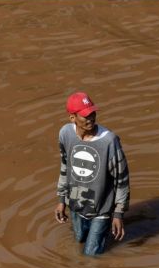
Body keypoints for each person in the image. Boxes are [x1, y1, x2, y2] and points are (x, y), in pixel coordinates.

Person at [54, 92, 130, 255]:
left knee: (90, 256)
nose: (91, 118)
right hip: (76, 204)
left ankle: (103, 230)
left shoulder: (109, 141)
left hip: (102, 208)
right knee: (80, 239)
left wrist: (118, 214)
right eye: (85, 115)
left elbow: (122, 179)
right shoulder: (65, 134)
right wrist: (61, 199)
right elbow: (65, 166)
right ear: (72, 118)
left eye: (93, 113)